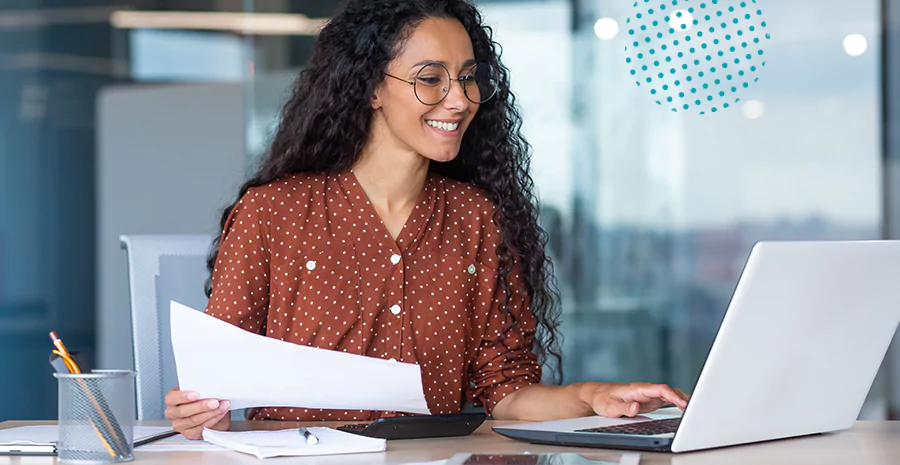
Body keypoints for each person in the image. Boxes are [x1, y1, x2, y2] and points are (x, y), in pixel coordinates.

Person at [164, 0, 689, 440]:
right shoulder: (272, 213)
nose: (459, 100)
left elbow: (505, 393)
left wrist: (592, 397)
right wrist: (197, 412)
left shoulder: (476, 217)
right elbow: (215, 382)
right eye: (430, 79)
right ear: (371, 88)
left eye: (467, 79)